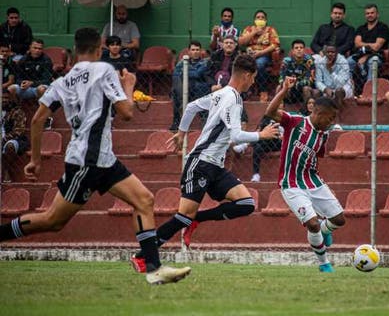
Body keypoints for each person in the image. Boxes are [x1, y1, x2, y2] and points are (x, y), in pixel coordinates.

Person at [0, 27, 191, 285]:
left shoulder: (62, 81)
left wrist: (35, 159)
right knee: (53, 221)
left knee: (144, 200)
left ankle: (153, 268)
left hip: (100, 159)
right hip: (88, 161)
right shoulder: (104, 71)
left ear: (75, 49)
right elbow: (126, 112)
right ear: (100, 47)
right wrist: (128, 85)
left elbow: (37, 119)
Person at [130, 54, 281, 273]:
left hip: (215, 167)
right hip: (200, 163)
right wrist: (262, 135)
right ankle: (142, 256)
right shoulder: (233, 99)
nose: (254, 82)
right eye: (254, 77)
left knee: (246, 204)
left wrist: (182, 133)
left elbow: (191, 107)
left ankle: (196, 219)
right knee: (182, 216)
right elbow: (236, 136)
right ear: (247, 75)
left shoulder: (220, 94)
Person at [265, 81, 345, 273]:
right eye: (331, 117)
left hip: (313, 181)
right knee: (312, 224)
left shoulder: (323, 135)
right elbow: (270, 112)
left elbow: (315, 157)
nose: (332, 122)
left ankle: (325, 231)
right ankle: (324, 263)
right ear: (318, 112)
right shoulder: (296, 122)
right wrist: (283, 90)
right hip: (291, 184)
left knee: (339, 219)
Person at [347, 4, 389, 95]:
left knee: (371, 62)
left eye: (372, 13)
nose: (369, 15)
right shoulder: (361, 28)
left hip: (377, 56)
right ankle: (349, 91)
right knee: (348, 61)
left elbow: (377, 47)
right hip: (359, 55)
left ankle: (369, 93)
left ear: (377, 14)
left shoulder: (383, 28)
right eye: (367, 13)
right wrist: (370, 45)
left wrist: (364, 48)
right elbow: (357, 43)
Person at [239, 9, 280, 103]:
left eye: (262, 18)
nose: (260, 19)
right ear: (254, 20)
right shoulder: (248, 29)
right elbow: (241, 42)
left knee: (259, 64)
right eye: (258, 17)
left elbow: (275, 44)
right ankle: (245, 90)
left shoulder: (270, 30)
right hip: (249, 55)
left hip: (264, 55)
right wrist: (253, 32)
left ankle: (263, 91)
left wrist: (260, 53)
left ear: (266, 20)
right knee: (241, 65)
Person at [170, 40, 210, 131]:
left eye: (197, 50)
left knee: (200, 88)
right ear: (189, 51)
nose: (195, 52)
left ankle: (204, 121)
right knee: (176, 90)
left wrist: (184, 72)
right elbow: (176, 74)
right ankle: (176, 122)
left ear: (200, 51)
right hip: (184, 89)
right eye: (193, 50)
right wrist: (186, 72)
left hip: (198, 88)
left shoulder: (204, 62)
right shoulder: (183, 61)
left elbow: (197, 74)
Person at [278, 39, 318, 107]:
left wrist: (295, 84)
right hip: (290, 90)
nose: (299, 49)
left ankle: (306, 112)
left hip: (302, 90)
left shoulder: (309, 61)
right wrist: (286, 84)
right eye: (296, 48)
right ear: (293, 50)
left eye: (301, 48)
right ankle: (278, 111)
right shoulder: (286, 61)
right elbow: (281, 77)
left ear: (304, 50)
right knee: (279, 87)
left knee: (306, 88)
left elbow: (311, 80)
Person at [314, 44, 353, 109]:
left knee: (338, 91)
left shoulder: (343, 62)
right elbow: (318, 81)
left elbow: (341, 83)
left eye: (332, 52)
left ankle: (337, 114)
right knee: (316, 92)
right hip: (327, 89)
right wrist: (325, 89)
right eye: (328, 52)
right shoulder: (321, 62)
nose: (330, 54)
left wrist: (331, 71)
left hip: (343, 89)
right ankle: (319, 115)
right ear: (325, 53)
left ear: (337, 53)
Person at [2, 98, 28, 182]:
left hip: (13, 139)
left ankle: (6, 172)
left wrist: (3, 139)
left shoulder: (17, 112)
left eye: (6, 97)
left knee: (10, 146)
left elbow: (18, 131)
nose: (3, 100)